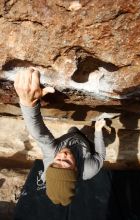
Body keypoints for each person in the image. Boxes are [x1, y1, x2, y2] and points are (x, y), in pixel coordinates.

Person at [14, 68, 106, 206]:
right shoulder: (88, 169)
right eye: (67, 162)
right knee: (93, 136)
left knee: (73, 130)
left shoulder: (51, 155)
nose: (62, 155)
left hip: (71, 136)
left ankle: (76, 133)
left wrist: (29, 104)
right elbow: (100, 156)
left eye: (56, 162)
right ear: (75, 169)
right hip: (87, 146)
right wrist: (98, 132)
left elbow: (39, 134)